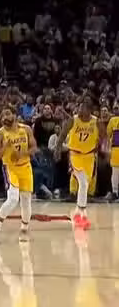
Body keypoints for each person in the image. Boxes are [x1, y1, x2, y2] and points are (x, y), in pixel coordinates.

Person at [0, 106, 36, 244]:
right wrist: (5, 146)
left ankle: (24, 230)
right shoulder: (0, 134)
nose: (5, 117)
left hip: (25, 167)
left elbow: (34, 148)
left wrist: (22, 154)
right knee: (13, 199)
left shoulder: (26, 129)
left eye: (7, 114)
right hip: (10, 168)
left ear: (15, 115)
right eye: (2, 116)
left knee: (26, 200)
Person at [55, 95, 103, 229]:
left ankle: (77, 212)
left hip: (89, 156)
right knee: (83, 182)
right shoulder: (73, 120)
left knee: (85, 183)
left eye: (83, 108)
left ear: (89, 110)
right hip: (75, 155)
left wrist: (102, 145)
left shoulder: (96, 122)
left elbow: (104, 136)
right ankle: (83, 213)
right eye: (79, 107)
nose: (80, 110)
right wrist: (57, 149)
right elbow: (62, 135)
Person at [105, 101, 119, 201]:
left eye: (117, 108)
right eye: (115, 108)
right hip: (115, 149)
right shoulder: (112, 120)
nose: (116, 110)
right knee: (115, 172)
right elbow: (108, 134)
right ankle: (115, 192)